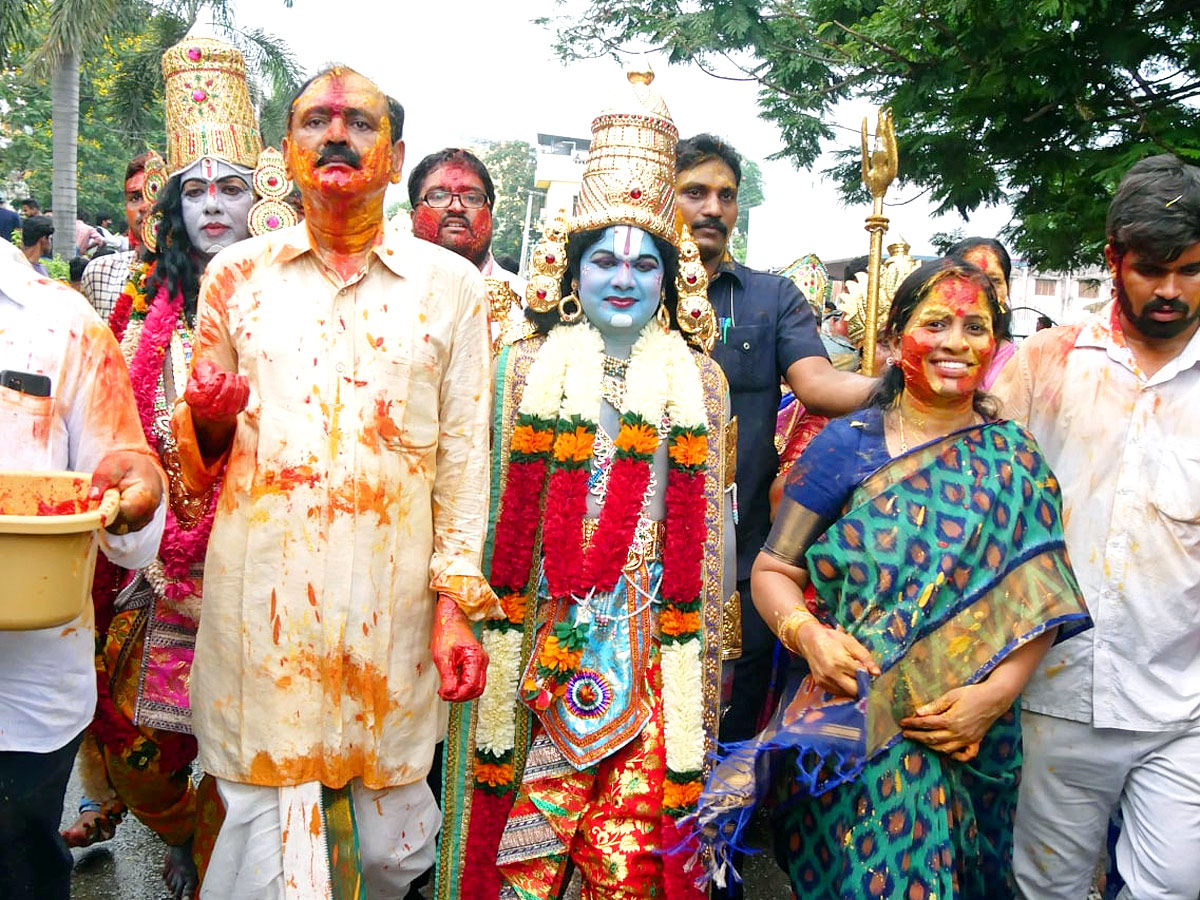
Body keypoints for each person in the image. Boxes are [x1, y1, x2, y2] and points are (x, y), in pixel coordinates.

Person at [170, 63, 492, 898]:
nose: (337, 134)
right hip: (263, 611)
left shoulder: (452, 288)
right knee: (256, 829)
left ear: (394, 154)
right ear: (287, 150)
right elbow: (195, 469)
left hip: (392, 613)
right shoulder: (235, 275)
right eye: (316, 121)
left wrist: (454, 605)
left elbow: (462, 459)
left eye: (360, 122)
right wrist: (209, 417)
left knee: (387, 847)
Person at [697, 258, 1089, 899]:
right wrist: (810, 637)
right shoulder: (845, 444)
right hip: (857, 720)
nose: (956, 343)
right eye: (935, 323)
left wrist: (996, 697)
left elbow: (1039, 597)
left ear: (995, 342)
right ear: (894, 336)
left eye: (975, 326)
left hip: (970, 733)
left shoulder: (1015, 457)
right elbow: (772, 571)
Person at [437, 66, 733, 900]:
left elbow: (712, 544)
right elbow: (481, 511)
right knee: (520, 868)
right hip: (538, 648)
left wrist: (705, 679)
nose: (623, 277)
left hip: (649, 659)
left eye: (646, 262)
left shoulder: (698, 381)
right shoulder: (518, 367)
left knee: (628, 874)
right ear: (571, 272)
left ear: (671, 277)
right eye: (604, 258)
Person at [64, 37, 290, 899]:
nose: (211, 207)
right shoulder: (135, 309)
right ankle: (189, 839)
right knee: (135, 747)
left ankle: (216, 865)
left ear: (263, 194)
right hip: (150, 565)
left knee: (248, 755)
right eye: (193, 192)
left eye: (231, 187)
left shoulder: (293, 302)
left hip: (261, 567)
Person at [995, 154, 1200, 899]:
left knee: (1175, 886)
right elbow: (981, 488)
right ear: (1114, 259)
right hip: (1056, 694)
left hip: (1185, 706)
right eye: (1151, 269)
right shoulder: (1050, 362)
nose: (1172, 290)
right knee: (1044, 888)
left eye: (1191, 270)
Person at [674, 134, 875, 768]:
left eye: (726, 196)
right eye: (695, 192)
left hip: (743, 549)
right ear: (662, 195)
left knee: (735, 704)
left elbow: (816, 384)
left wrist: (903, 383)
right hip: (645, 544)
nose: (713, 208)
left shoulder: (768, 297)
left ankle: (719, 845)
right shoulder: (629, 286)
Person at [0, 237, 166, 900]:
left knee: (15, 866)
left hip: (20, 695)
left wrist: (136, 491)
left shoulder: (61, 325)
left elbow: (128, 501)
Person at [408, 147, 526, 351]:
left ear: (490, 215)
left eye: (472, 197)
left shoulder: (530, 307)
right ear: (413, 217)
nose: (456, 207)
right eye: (438, 196)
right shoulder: (381, 301)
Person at [81, 153, 153, 320]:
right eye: (135, 197)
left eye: (155, 193)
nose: (144, 206)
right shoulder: (99, 273)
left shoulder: (200, 277)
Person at [948, 237, 1014, 389]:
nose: (984, 291)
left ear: (1007, 286)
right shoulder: (930, 342)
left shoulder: (1022, 362)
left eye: (994, 281)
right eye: (968, 278)